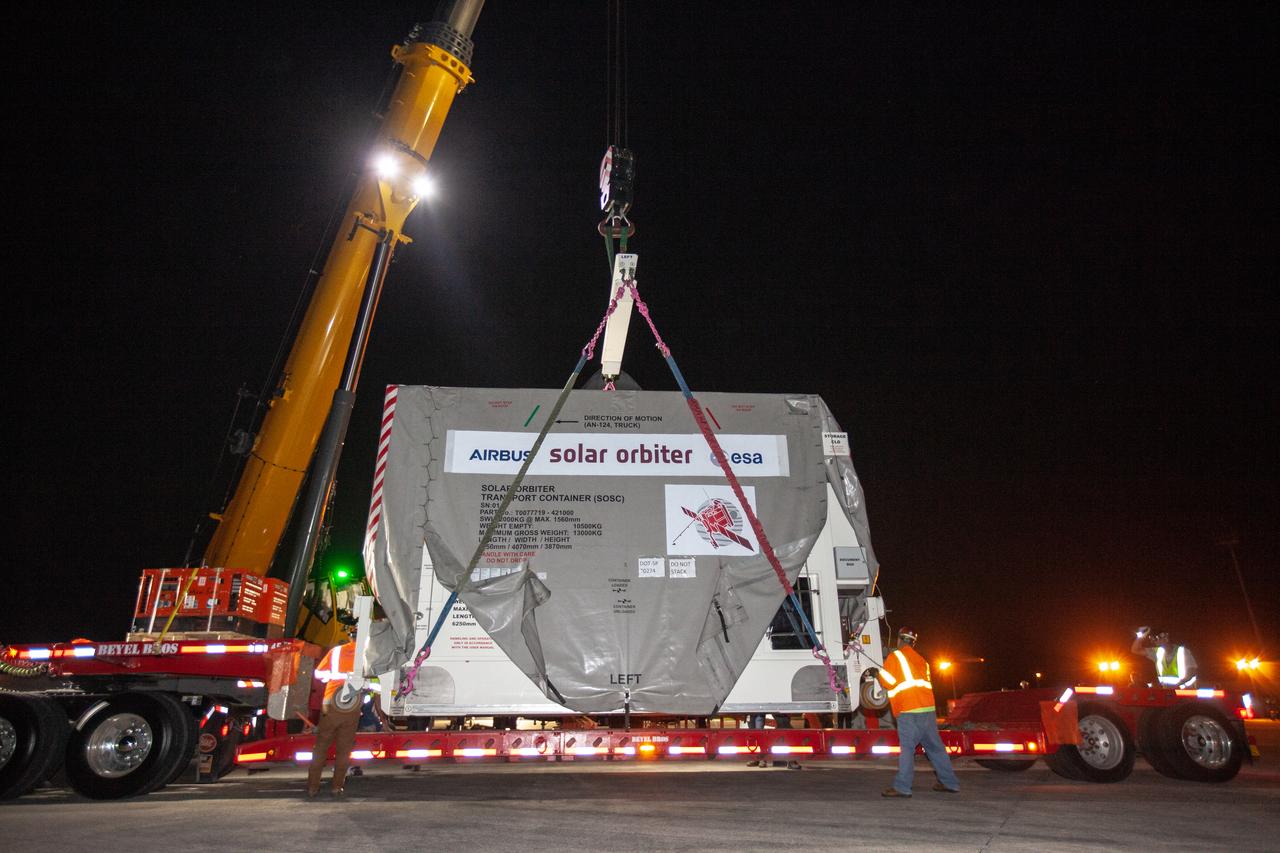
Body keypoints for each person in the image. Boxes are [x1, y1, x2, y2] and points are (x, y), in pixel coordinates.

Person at [876, 627, 960, 797]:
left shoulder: (895, 656)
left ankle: (902, 787)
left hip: (909, 710)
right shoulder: (922, 660)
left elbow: (888, 682)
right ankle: (949, 783)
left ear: (899, 640)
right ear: (913, 643)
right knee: (935, 748)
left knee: (907, 749)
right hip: (928, 709)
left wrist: (878, 673)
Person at [306, 637, 362, 798]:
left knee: (321, 747)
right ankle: (337, 787)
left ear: (350, 637)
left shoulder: (335, 651)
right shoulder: (365, 654)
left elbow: (318, 674)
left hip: (331, 703)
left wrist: (333, 676)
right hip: (351, 705)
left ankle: (312, 788)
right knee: (344, 750)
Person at [1131, 626, 1198, 687]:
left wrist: (1177, 685)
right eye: (1153, 639)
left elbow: (1191, 672)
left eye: (1156, 638)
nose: (1154, 641)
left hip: (1186, 692)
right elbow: (1135, 649)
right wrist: (1142, 635)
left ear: (1165, 637)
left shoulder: (1183, 652)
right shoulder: (1157, 653)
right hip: (1168, 693)